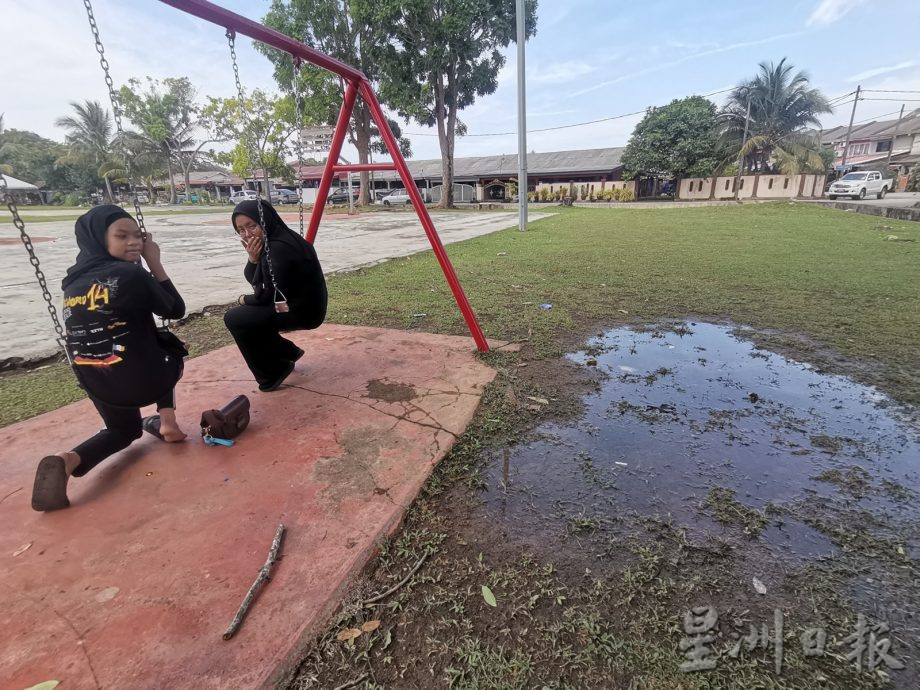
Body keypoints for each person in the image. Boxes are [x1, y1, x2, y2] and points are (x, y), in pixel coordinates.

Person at [31, 206, 187, 512]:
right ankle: (168, 423)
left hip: (95, 379)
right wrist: (154, 262)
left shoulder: (72, 283)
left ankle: (67, 460)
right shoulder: (130, 273)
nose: (135, 243)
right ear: (99, 240)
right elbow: (175, 310)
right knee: (165, 346)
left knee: (124, 431)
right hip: (143, 379)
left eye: (138, 236)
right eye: (122, 236)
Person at [224, 199, 327, 391]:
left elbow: (263, 295)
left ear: (265, 220)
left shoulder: (277, 249)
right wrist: (253, 260)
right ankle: (287, 351)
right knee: (249, 315)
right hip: (301, 305)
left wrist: (243, 299)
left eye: (252, 226)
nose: (247, 234)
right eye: (241, 230)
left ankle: (273, 372)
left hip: (302, 311)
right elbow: (259, 282)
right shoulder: (282, 237)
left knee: (236, 318)